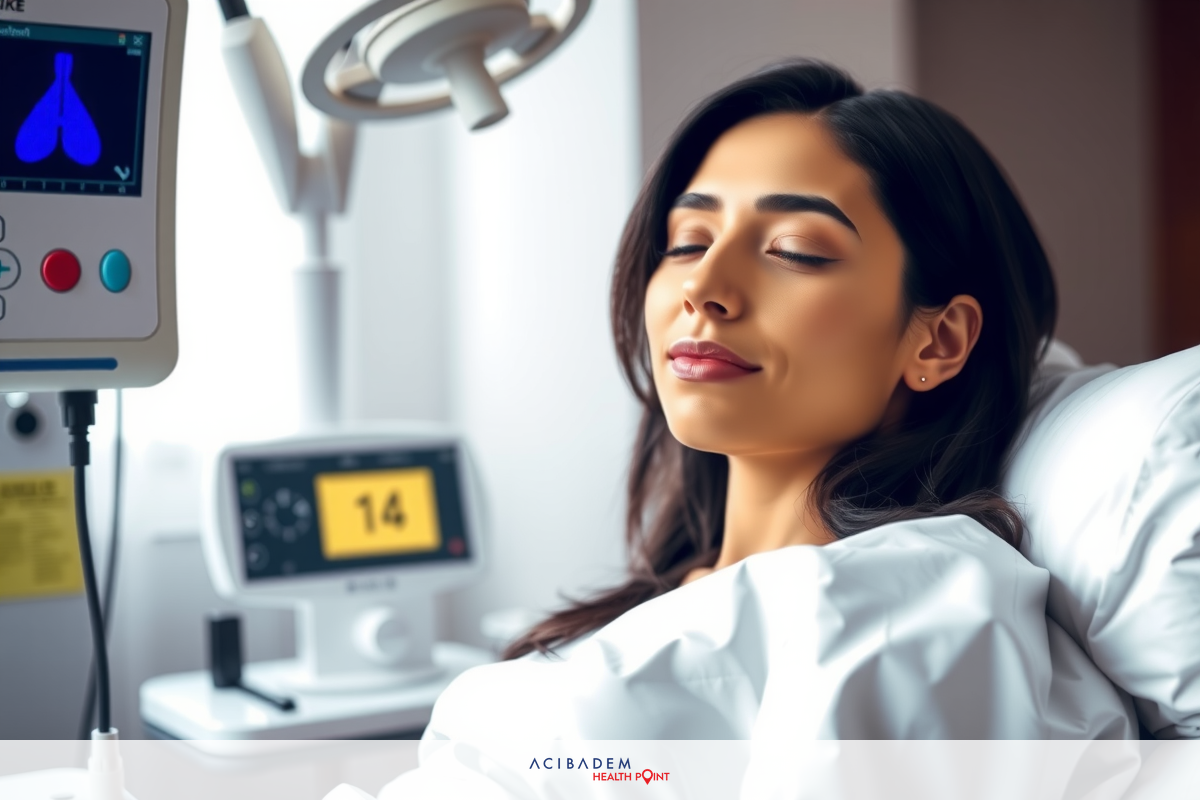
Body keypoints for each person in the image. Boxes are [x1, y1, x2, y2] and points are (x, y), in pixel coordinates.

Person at [379, 59, 1135, 798]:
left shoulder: (917, 612)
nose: (704, 289)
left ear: (934, 342)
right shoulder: (685, 590)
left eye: (794, 252)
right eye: (687, 241)